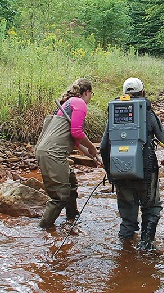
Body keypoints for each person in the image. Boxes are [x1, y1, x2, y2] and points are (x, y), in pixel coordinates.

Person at [100, 77, 164, 250]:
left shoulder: (114, 113)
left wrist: (110, 172)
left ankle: (124, 253)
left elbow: (104, 146)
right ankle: (146, 245)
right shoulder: (147, 113)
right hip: (146, 170)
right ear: (143, 92)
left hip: (119, 171)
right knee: (152, 207)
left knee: (127, 216)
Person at [35, 78, 102, 229]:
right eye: (92, 93)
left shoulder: (67, 105)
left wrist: (92, 156)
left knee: (71, 183)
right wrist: (92, 147)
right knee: (60, 196)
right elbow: (77, 132)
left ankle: (72, 217)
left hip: (46, 151)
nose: (91, 96)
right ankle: (44, 228)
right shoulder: (79, 103)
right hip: (53, 154)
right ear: (86, 92)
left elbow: (75, 141)